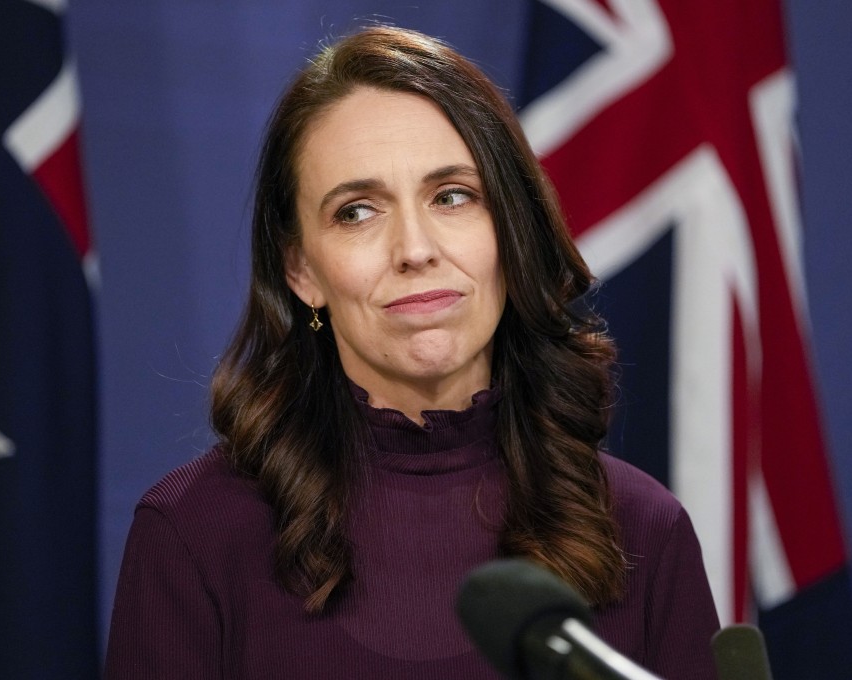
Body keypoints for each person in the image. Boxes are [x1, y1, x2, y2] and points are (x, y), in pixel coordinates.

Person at [105, 25, 719, 679]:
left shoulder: (643, 531)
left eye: (452, 197)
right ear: (301, 271)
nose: (415, 250)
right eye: (357, 211)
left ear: (510, 231)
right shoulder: (192, 536)